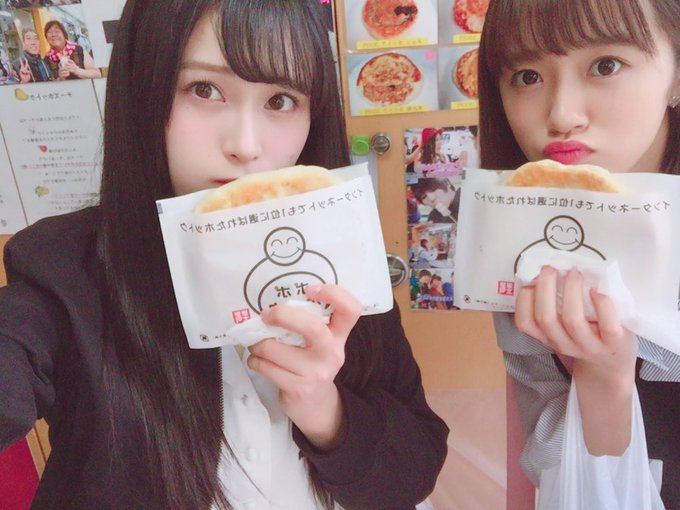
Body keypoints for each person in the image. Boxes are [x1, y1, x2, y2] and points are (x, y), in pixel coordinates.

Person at [0, 1, 449, 509]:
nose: (246, 146)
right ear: (142, 90)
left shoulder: (339, 254)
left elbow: (414, 470)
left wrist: (325, 412)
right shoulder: (63, 269)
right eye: (204, 90)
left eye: (281, 100)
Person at [478, 0, 680, 506]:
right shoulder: (527, 251)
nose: (561, 115)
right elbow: (556, 466)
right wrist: (604, 381)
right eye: (527, 77)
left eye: (605, 66)